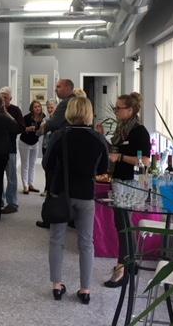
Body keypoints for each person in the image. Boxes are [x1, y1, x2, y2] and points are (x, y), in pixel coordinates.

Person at [45, 97, 108, 305]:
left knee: (57, 239)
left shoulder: (59, 136)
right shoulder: (98, 139)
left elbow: (47, 163)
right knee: (86, 242)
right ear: (89, 113)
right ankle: (85, 289)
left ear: (69, 112)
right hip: (86, 194)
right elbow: (102, 169)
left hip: (61, 192)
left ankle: (57, 285)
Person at [96, 92, 150, 287]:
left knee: (124, 225)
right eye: (116, 108)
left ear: (131, 110)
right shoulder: (122, 129)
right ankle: (130, 262)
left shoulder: (139, 131)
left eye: (119, 108)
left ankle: (122, 267)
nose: (116, 111)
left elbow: (145, 161)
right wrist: (102, 137)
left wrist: (120, 158)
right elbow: (115, 151)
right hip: (120, 180)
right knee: (123, 223)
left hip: (130, 184)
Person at [36, 79, 75, 228]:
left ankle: (50, 218)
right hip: (70, 146)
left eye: (59, 87)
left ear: (68, 88)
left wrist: (41, 129)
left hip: (60, 144)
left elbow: (54, 123)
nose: (56, 89)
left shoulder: (65, 103)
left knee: (53, 182)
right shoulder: (75, 101)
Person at [0, 86, 25, 214]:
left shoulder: (15, 110)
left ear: (10, 98)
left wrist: (6, 114)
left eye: (5, 97)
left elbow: (21, 128)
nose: (3, 99)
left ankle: (12, 203)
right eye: (1, 97)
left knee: (11, 178)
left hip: (10, 148)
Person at [18, 100, 45, 194]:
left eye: (39, 106)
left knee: (32, 164)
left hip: (35, 142)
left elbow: (42, 130)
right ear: (32, 109)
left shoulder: (43, 117)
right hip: (24, 142)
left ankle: (30, 184)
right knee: (25, 164)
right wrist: (27, 129)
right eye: (35, 107)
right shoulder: (26, 117)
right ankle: (25, 185)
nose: (37, 108)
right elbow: (21, 129)